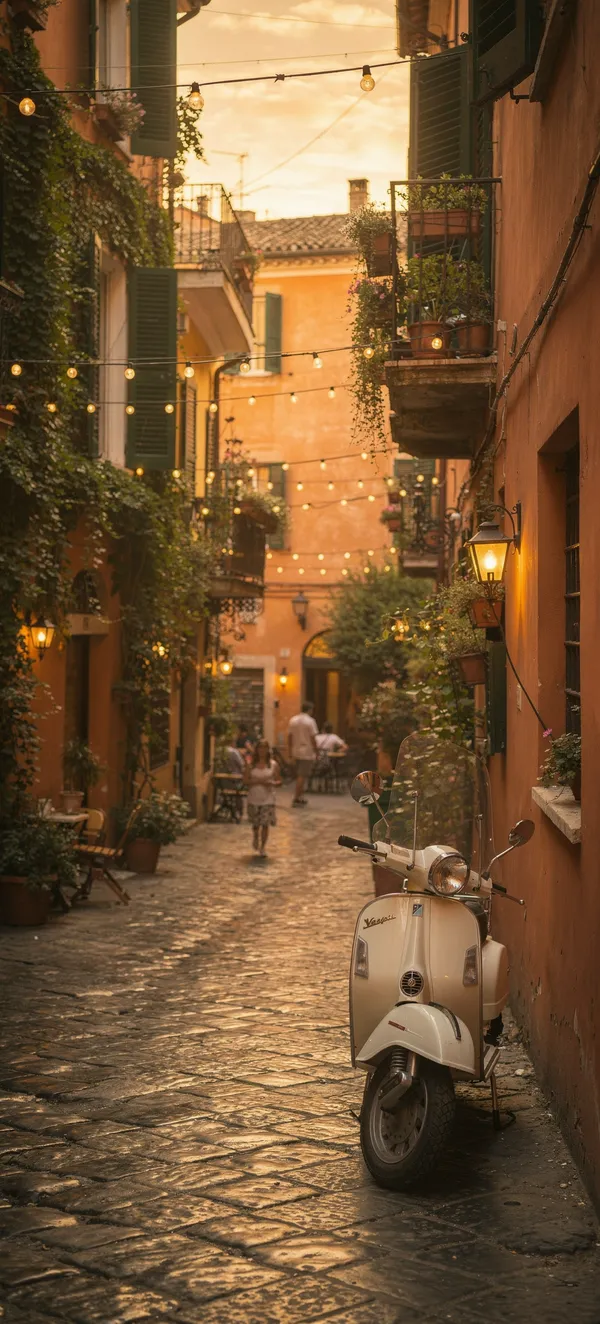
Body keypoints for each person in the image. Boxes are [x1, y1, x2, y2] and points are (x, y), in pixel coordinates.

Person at [245, 738, 281, 856]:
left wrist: (272, 784)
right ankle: (256, 836)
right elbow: (245, 780)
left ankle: (263, 847)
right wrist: (255, 782)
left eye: (265, 748)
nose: (262, 750)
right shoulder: (251, 765)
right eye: (260, 748)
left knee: (265, 823)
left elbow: (279, 781)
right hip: (254, 797)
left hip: (268, 798)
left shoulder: (273, 765)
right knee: (256, 823)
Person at [287, 700, 319, 807]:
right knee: (302, 775)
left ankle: (300, 796)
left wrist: (290, 751)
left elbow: (290, 737)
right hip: (307, 751)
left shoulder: (293, 720)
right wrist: (316, 750)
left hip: (296, 751)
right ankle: (296, 797)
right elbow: (313, 738)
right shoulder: (310, 721)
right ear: (310, 710)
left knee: (299, 775)